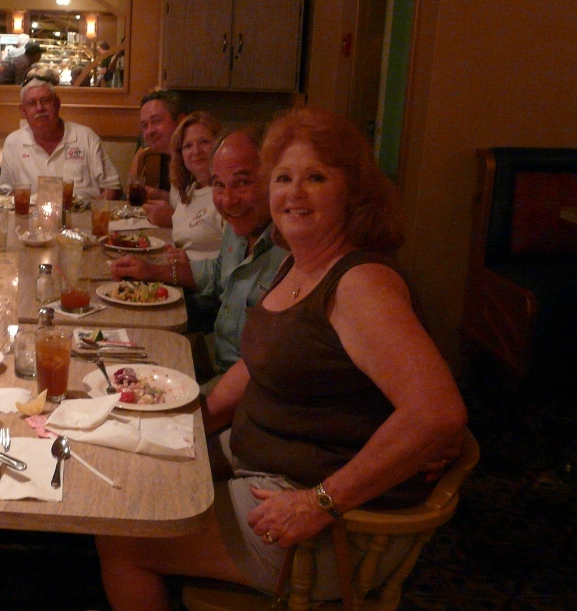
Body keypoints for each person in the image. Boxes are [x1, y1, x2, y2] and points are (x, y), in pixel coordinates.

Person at [97, 107, 468, 610]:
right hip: (262, 467)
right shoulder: (300, 261)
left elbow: (438, 413)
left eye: (316, 177)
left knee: (119, 537)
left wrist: (319, 504)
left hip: (321, 527)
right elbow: (254, 368)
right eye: (284, 178)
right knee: (131, 469)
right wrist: (180, 429)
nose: (294, 193)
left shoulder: (360, 285)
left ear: (354, 192)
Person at [112, 128, 286, 369]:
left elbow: (263, 371)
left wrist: (202, 405)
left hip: (239, 384)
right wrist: (151, 271)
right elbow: (216, 273)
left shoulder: (293, 254)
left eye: (243, 182)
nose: (228, 200)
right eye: (219, 185)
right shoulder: (239, 228)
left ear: (273, 178)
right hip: (211, 354)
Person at [0, 77, 121, 200]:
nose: (39, 108)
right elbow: (7, 193)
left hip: (81, 215)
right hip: (32, 216)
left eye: (45, 101)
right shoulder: (13, 142)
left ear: (57, 104)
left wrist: (95, 215)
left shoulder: (86, 137)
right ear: (23, 110)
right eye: (32, 103)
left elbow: (112, 187)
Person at [167, 111, 225, 260]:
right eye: (188, 146)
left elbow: (234, 261)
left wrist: (191, 263)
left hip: (204, 281)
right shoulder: (189, 190)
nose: (196, 151)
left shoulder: (226, 194)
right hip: (179, 276)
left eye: (204, 142)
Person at [129, 91, 185, 227]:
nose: (149, 131)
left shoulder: (195, 159)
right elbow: (187, 203)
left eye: (156, 121)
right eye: (144, 125)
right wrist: (160, 194)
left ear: (181, 121)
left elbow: (213, 224)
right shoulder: (176, 158)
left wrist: (173, 219)